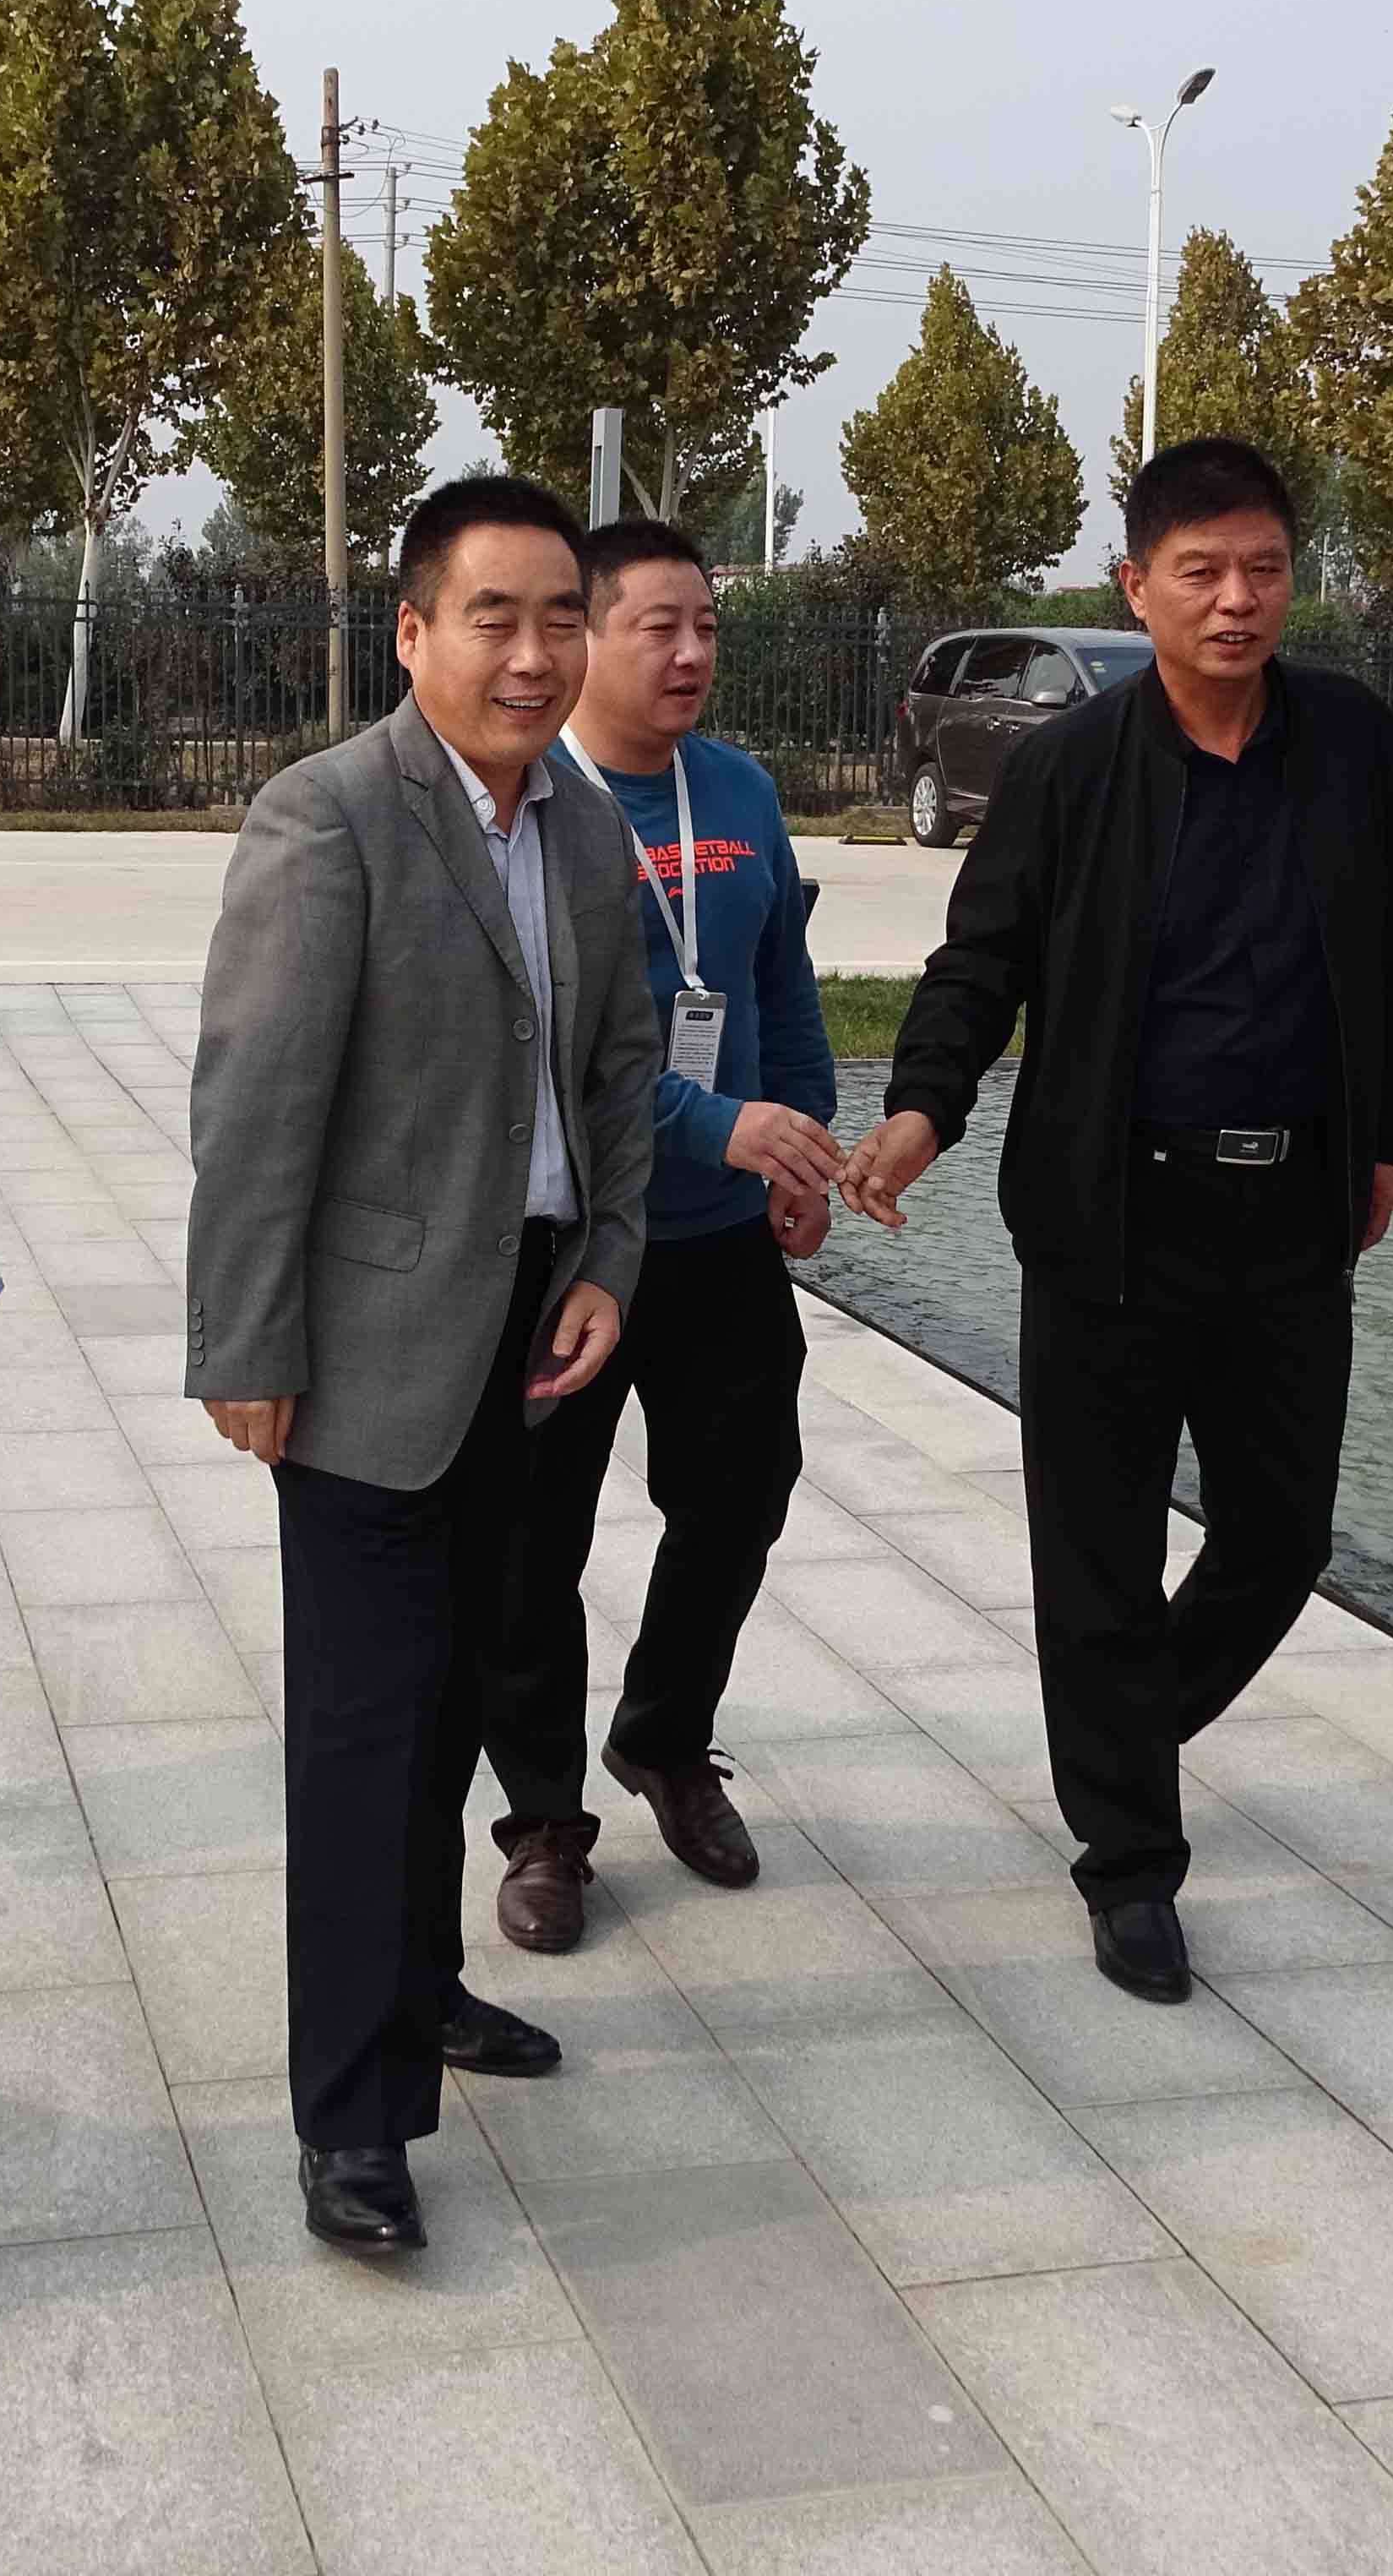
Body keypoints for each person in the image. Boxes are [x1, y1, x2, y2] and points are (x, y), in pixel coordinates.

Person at [842, 438, 1393, 2007]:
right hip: (1113, 1215)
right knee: (1098, 1554)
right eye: (1201, 573)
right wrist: (922, 1110)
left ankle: (1113, 1736)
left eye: (1264, 570)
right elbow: (982, 965)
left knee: (1280, 1538)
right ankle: (1130, 1865)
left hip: (1292, 1211)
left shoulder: (1351, 745)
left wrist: (1380, 1135)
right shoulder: (1072, 770)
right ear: (1137, 589)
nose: (1237, 601)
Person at [184, 473, 660, 2256]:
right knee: (365, 1741)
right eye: (494, 618)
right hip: (370, 1352)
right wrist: (248, 1343)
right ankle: (355, 2122)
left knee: (462, 1697)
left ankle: (426, 1990)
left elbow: (617, 1074)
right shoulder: (330, 817)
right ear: (412, 632)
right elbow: (254, 1104)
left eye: (562, 619)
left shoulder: (583, 829)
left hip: (537, 1329)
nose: (535, 656)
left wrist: (608, 1263)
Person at [483, 513, 841, 1948]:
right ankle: (543, 1824)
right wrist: (719, 1123)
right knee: (531, 1543)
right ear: (586, 635)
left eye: (708, 627)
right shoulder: (535, 807)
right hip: (572, 1247)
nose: (691, 653)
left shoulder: (738, 790)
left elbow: (782, 986)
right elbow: (560, 1051)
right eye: (659, 627)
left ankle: (665, 1735)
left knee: (743, 1494)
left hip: (719, 1237)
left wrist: (801, 1142)